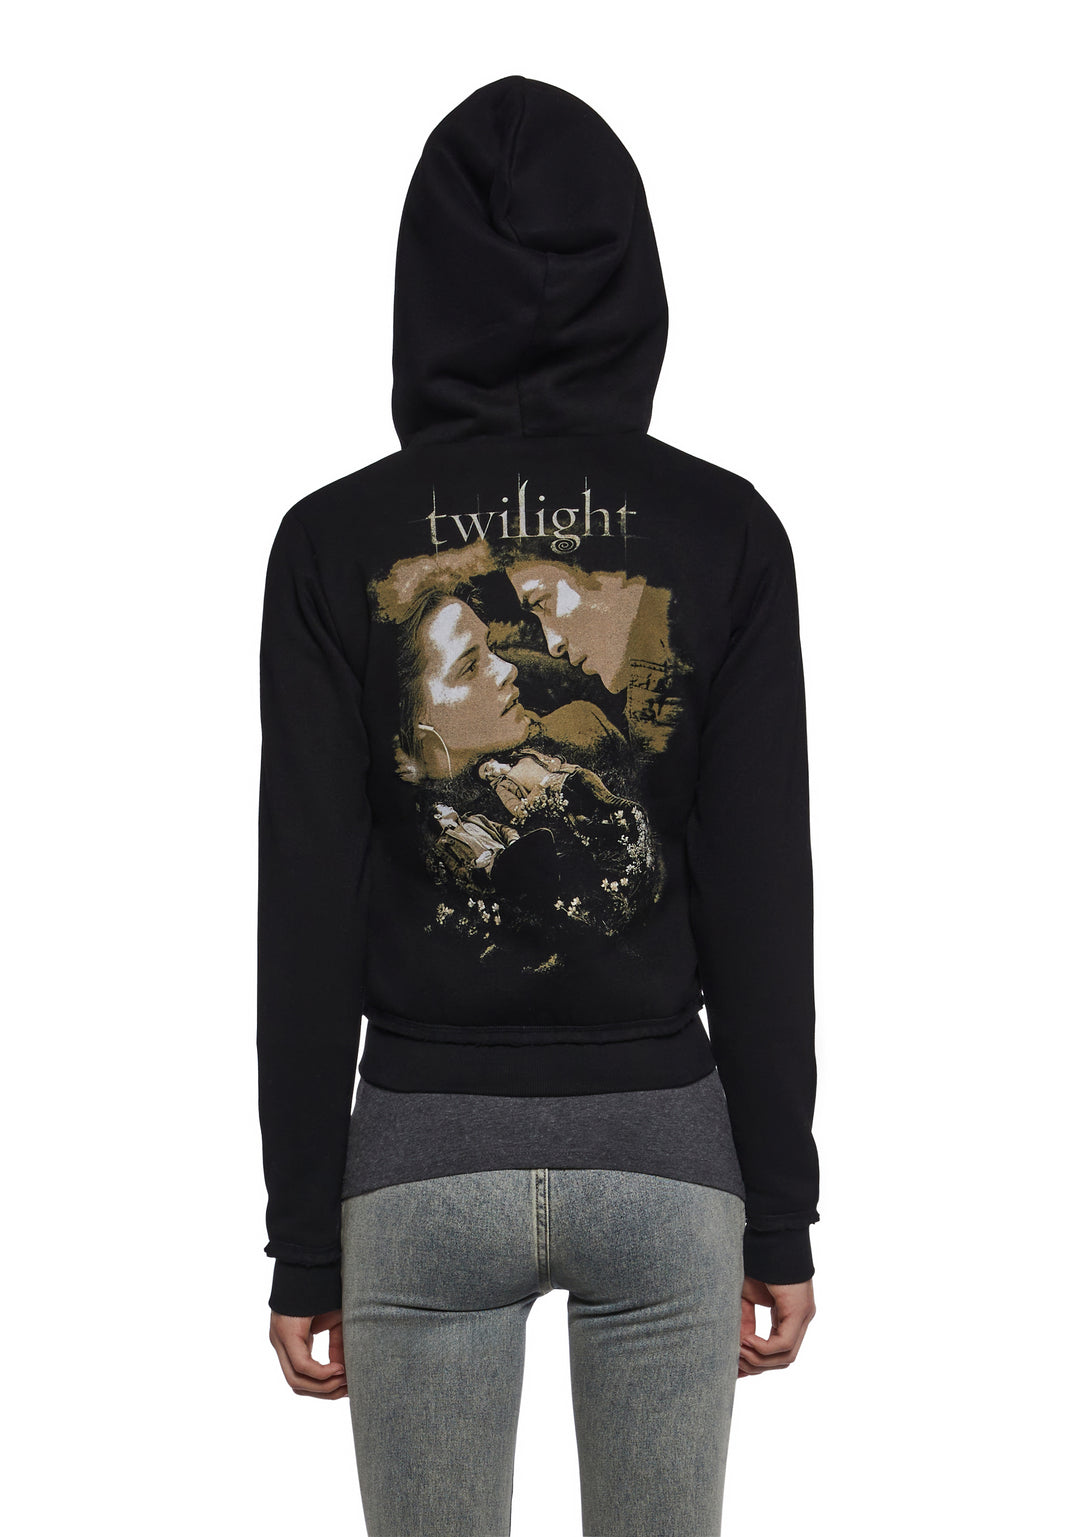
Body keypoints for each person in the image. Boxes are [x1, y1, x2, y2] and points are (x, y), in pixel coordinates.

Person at [258, 74, 820, 1536]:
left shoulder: (330, 541)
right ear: (635, 277)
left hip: (419, 1153)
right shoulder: (726, 531)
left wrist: (302, 1238)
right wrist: (778, 1206)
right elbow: (764, 890)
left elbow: (306, 903)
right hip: (666, 1152)